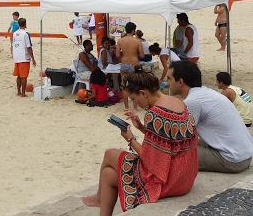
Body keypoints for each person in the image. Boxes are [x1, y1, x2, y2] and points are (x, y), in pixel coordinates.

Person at [83, 72, 198, 214]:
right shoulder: (178, 102)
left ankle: (99, 199)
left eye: (134, 98)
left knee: (110, 154)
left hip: (170, 180)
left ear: (143, 93)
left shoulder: (155, 113)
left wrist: (130, 139)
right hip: (185, 176)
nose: (135, 103)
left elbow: (153, 162)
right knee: (108, 175)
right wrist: (142, 128)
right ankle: (101, 202)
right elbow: (169, 142)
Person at [168, 61, 253, 173]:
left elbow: (180, 136)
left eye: (169, 79)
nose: (167, 83)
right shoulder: (206, 92)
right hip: (245, 153)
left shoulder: (193, 101)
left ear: (180, 82)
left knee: (171, 151)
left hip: (233, 160)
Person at [115, 22, 144, 109]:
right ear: (133, 30)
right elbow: (142, 55)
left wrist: (124, 54)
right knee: (135, 86)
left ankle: (126, 107)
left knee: (124, 87)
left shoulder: (120, 41)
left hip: (124, 64)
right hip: (134, 64)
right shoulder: (137, 41)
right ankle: (135, 107)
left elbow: (117, 55)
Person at [12, 18, 35, 97]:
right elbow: (29, 47)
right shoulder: (26, 34)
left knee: (19, 76)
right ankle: (23, 93)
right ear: (25, 24)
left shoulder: (14, 33)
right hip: (24, 57)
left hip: (16, 56)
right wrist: (33, 58)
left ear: (18, 24)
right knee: (24, 77)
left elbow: (14, 44)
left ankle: (18, 92)